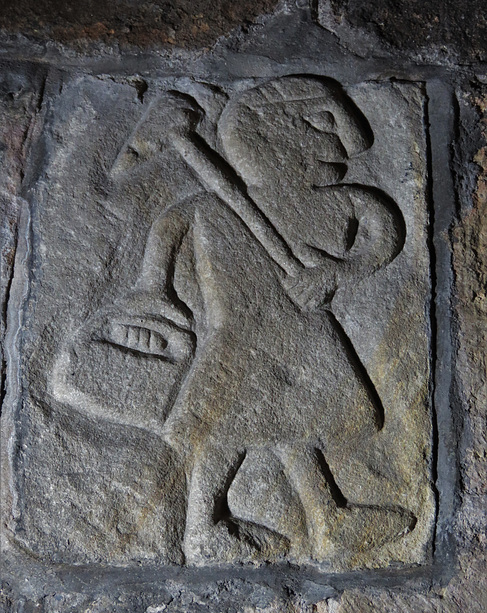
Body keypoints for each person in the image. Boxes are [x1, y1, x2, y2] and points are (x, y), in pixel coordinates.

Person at [54, 76, 415, 565]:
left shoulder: (334, 200)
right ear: (271, 132)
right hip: (239, 337)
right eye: (323, 130)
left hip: (302, 332)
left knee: (296, 421)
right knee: (223, 430)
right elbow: (166, 233)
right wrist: (152, 293)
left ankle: (329, 520)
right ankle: (204, 526)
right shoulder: (209, 207)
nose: (342, 150)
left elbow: (385, 230)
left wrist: (337, 272)